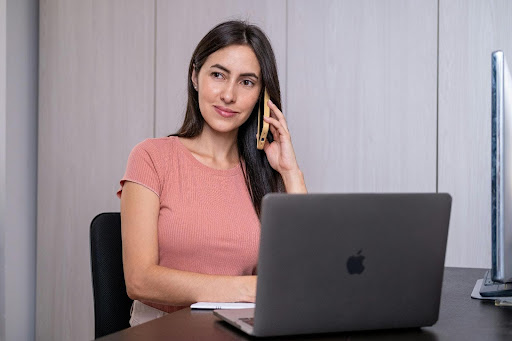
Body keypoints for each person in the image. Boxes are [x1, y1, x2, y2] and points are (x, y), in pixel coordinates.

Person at [117, 20, 307, 326]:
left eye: (246, 82)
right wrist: (245, 288)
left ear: (262, 95)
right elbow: (139, 279)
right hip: (162, 330)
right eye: (218, 75)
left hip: (242, 328)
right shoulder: (151, 157)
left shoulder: (265, 174)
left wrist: (290, 172)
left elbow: (305, 274)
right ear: (195, 76)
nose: (229, 95)